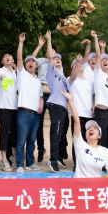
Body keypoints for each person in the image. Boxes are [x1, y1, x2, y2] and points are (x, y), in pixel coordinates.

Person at [62, 90, 108, 178]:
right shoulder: (80, 144)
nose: (91, 129)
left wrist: (101, 181)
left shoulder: (105, 152)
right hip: (79, 185)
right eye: (88, 129)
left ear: (99, 136)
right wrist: (70, 101)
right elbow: (77, 121)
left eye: (95, 128)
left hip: (95, 186)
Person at [15, 33, 43, 173]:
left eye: (33, 62)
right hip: (23, 112)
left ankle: (30, 162)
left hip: (35, 115)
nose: (30, 63)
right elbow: (19, 58)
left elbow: (40, 96)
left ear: (36, 65)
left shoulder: (38, 81)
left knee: (32, 140)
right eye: (28, 62)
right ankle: (20, 164)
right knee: (21, 140)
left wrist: (41, 104)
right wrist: (21, 42)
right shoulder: (22, 74)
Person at [43, 31, 70, 173]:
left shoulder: (64, 76)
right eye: (55, 58)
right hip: (56, 105)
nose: (57, 59)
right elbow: (49, 56)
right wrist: (49, 40)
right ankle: (53, 159)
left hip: (63, 108)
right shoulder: (52, 72)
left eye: (59, 58)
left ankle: (58, 156)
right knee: (57, 133)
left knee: (60, 134)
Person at [91, 31, 108, 152]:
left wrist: (104, 48)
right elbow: (99, 56)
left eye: (107, 60)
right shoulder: (98, 74)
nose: (105, 61)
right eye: (103, 61)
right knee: (103, 137)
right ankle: (101, 159)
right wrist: (96, 38)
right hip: (101, 111)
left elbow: (103, 57)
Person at [0, 44, 19, 171]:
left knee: (14, 133)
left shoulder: (15, 74)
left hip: (14, 107)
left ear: (13, 60)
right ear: (2, 61)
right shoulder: (0, 71)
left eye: (10, 56)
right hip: (4, 107)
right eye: (5, 57)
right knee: (4, 133)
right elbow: (3, 78)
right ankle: (4, 160)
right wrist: (5, 79)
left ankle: (13, 157)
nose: (7, 57)